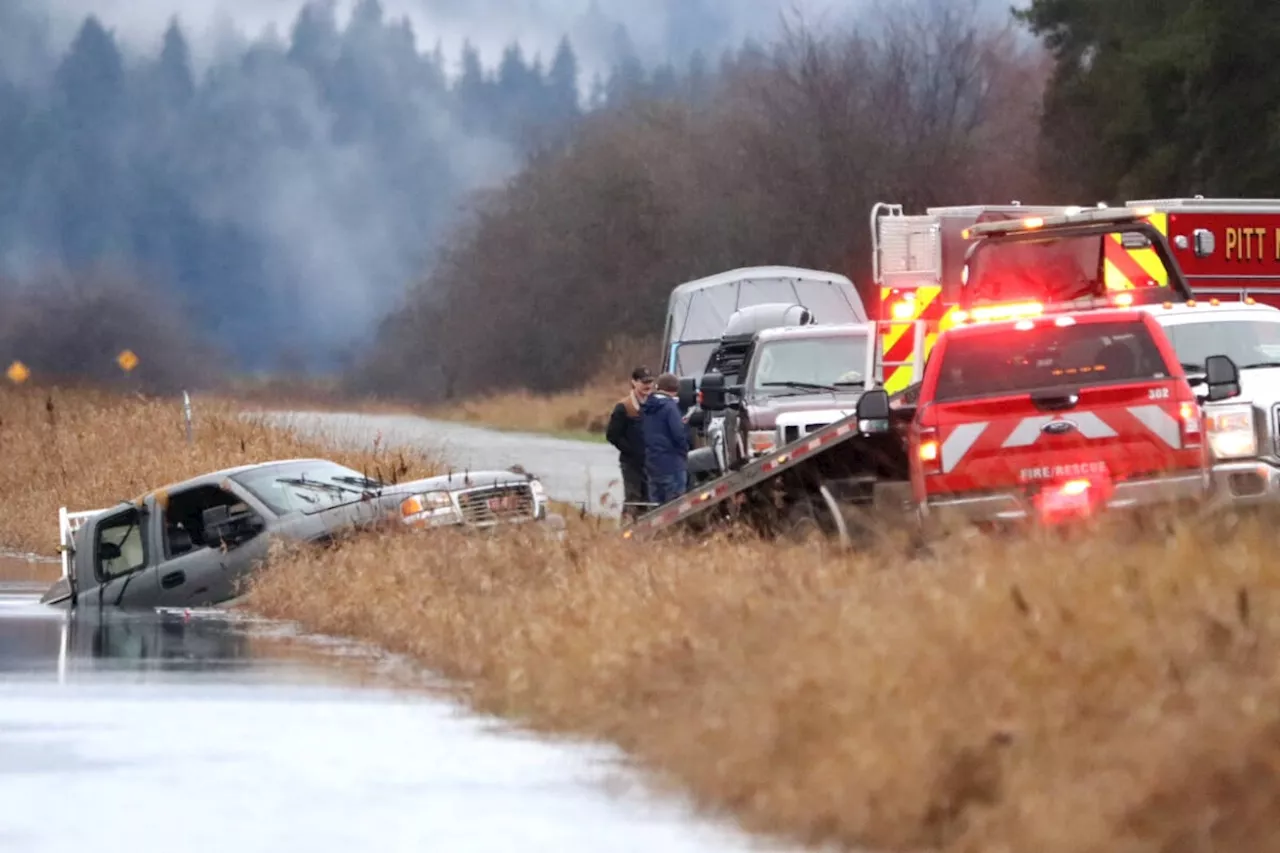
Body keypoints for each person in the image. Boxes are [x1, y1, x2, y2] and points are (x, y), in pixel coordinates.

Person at [606, 366, 654, 520]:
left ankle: (646, 532)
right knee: (633, 497)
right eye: (643, 382)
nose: (647, 385)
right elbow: (612, 435)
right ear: (634, 382)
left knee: (649, 498)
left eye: (650, 382)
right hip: (631, 462)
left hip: (651, 461)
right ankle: (626, 531)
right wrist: (631, 451)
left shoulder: (655, 404)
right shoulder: (624, 407)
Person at [641, 372, 691, 506]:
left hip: (652, 463)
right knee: (675, 508)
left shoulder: (647, 407)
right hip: (672, 464)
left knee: (656, 507)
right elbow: (678, 434)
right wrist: (684, 450)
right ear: (675, 389)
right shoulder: (670, 407)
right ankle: (674, 528)